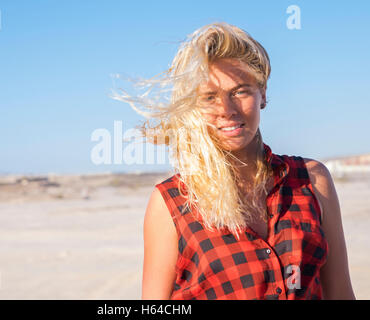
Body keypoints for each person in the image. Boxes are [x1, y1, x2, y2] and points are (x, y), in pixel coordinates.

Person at [116, 22, 355, 300]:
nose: (227, 111)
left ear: (262, 93)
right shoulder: (172, 202)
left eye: (240, 91)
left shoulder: (313, 180)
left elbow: (341, 294)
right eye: (209, 98)